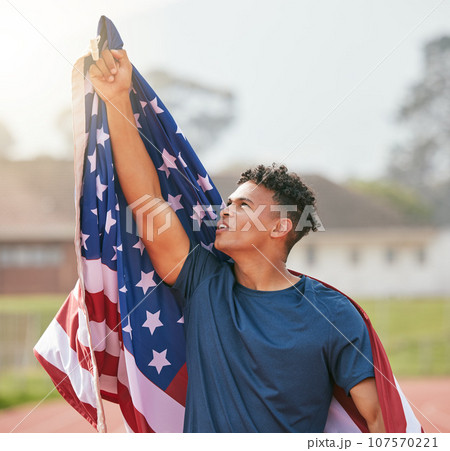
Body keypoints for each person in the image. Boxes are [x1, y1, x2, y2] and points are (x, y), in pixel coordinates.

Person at [88, 48, 386, 433]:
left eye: (242, 205)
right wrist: (116, 100)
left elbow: (377, 419)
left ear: (279, 228)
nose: (224, 211)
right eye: (227, 202)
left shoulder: (334, 314)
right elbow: (149, 203)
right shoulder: (204, 283)